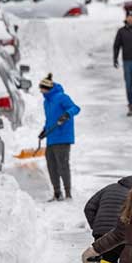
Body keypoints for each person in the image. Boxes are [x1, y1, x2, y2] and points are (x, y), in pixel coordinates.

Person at [39, 73, 81, 201]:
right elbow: (49, 120)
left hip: (63, 137)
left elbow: (75, 108)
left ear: (47, 88)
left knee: (62, 165)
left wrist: (66, 115)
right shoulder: (46, 102)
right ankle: (57, 192)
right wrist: (44, 131)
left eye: (42, 88)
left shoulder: (62, 97)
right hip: (51, 138)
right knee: (51, 165)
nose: (40, 90)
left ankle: (68, 193)